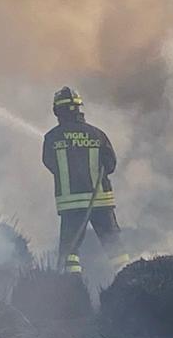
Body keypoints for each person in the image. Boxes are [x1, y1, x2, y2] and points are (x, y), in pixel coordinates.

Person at [42, 86, 129, 276]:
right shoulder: (97, 135)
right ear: (79, 109)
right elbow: (111, 164)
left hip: (71, 205)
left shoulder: (51, 138)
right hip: (101, 202)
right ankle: (128, 279)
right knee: (114, 247)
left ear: (57, 111)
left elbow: (49, 163)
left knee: (70, 250)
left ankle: (72, 286)